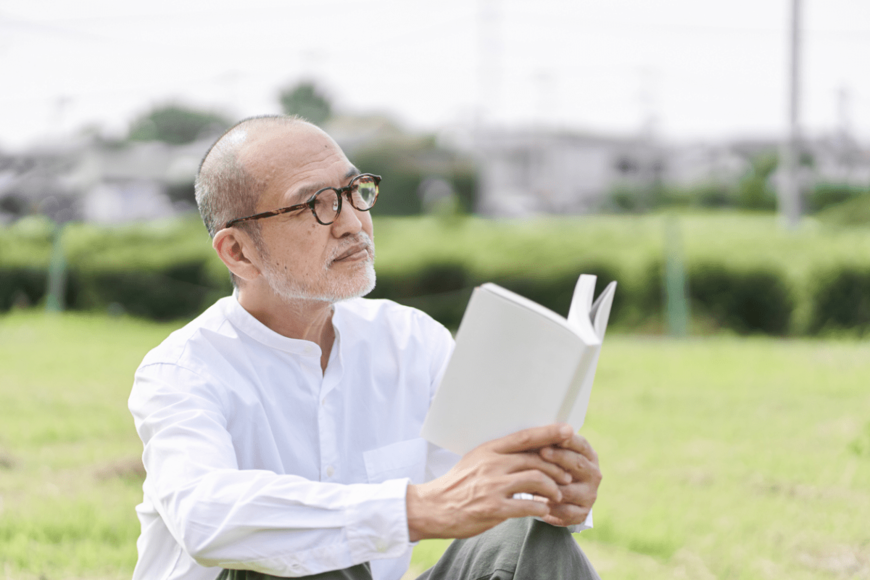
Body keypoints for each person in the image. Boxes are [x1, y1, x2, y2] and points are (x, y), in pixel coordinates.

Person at [129, 115, 602, 580]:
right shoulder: (183, 370)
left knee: (526, 536)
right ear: (238, 251)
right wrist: (412, 508)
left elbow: (483, 485)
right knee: (295, 558)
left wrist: (553, 489)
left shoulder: (411, 340)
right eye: (317, 204)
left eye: (356, 192)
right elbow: (204, 515)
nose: (353, 222)